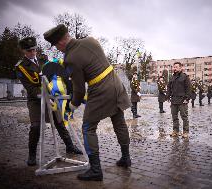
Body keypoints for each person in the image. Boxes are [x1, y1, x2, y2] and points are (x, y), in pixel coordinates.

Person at [44, 24, 131, 181]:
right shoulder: (91, 41)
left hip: (100, 91)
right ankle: (126, 158)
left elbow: (79, 91)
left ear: (60, 42)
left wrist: (71, 106)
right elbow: (89, 61)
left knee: (88, 127)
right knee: (119, 122)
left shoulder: (70, 58)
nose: (58, 49)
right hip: (116, 84)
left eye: (56, 45)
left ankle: (96, 170)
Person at [15, 37, 82, 166]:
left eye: (34, 49)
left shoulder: (42, 60)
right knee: (35, 126)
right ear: (24, 51)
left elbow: (52, 75)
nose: (33, 52)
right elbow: (30, 88)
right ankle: (32, 155)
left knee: (59, 121)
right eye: (30, 50)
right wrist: (44, 94)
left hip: (50, 96)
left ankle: (70, 146)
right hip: (35, 99)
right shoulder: (21, 67)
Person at [166, 62, 191, 138]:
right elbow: (169, 87)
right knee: (174, 117)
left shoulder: (185, 77)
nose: (174, 68)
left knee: (184, 117)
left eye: (176, 67)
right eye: (174, 67)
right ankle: (175, 131)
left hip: (182, 100)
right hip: (173, 100)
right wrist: (168, 96)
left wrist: (187, 98)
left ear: (180, 68)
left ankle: (185, 132)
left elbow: (188, 88)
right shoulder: (172, 77)